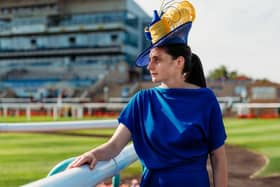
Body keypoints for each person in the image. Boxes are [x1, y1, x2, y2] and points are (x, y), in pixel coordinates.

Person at [68, 1, 227, 187]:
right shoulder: (141, 101)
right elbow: (114, 146)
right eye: (150, 60)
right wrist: (92, 155)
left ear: (179, 62)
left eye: (157, 60)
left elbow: (218, 157)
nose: (149, 66)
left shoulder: (206, 99)